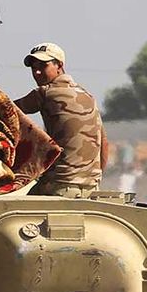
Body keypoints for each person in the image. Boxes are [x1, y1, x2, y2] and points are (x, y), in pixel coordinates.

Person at [15, 42, 104, 197]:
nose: (36, 72)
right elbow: (105, 142)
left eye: (42, 66)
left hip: (60, 187)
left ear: (59, 65)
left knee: (11, 213)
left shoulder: (45, 94)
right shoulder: (87, 96)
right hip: (91, 189)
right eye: (33, 67)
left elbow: (5, 109)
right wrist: (93, 178)